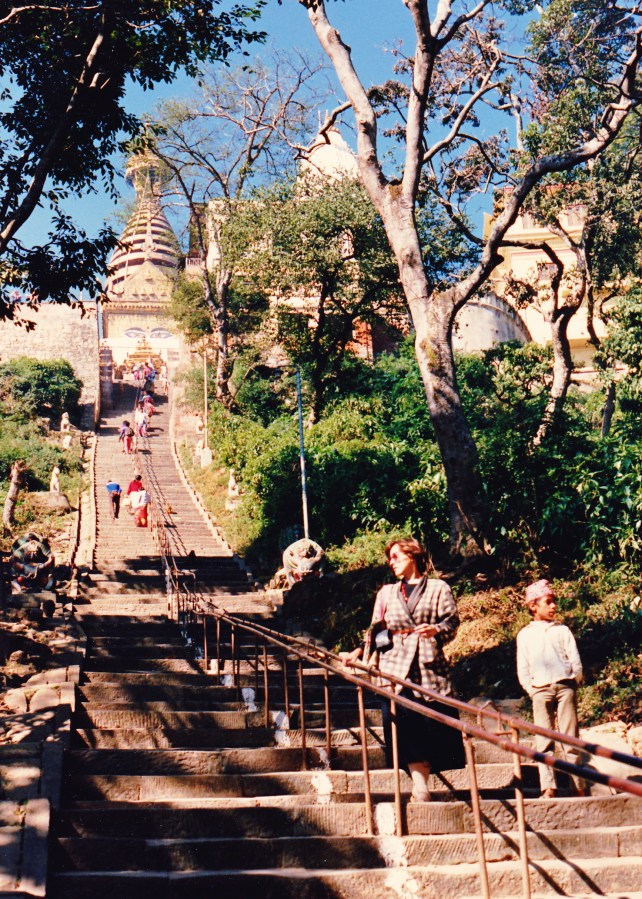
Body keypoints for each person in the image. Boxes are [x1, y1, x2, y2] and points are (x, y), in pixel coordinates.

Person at [345, 537, 465, 802]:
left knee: (432, 722)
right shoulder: (387, 592)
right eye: (390, 558)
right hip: (394, 664)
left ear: (413, 556)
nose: (392, 562)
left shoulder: (438, 588)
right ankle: (419, 784)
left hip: (428, 663)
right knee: (402, 721)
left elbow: (452, 621)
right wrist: (360, 651)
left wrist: (436, 630)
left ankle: (426, 775)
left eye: (397, 556)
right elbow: (376, 628)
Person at [517, 579, 587, 798]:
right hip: (540, 689)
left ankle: (578, 785)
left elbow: (574, 659)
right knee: (544, 739)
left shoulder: (562, 630)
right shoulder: (525, 635)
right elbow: (523, 666)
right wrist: (532, 689)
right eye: (548, 602)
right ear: (533, 606)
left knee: (570, 738)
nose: (554, 606)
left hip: (565, 686)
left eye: (554, 602)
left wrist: (574, 679)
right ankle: (549, 786)